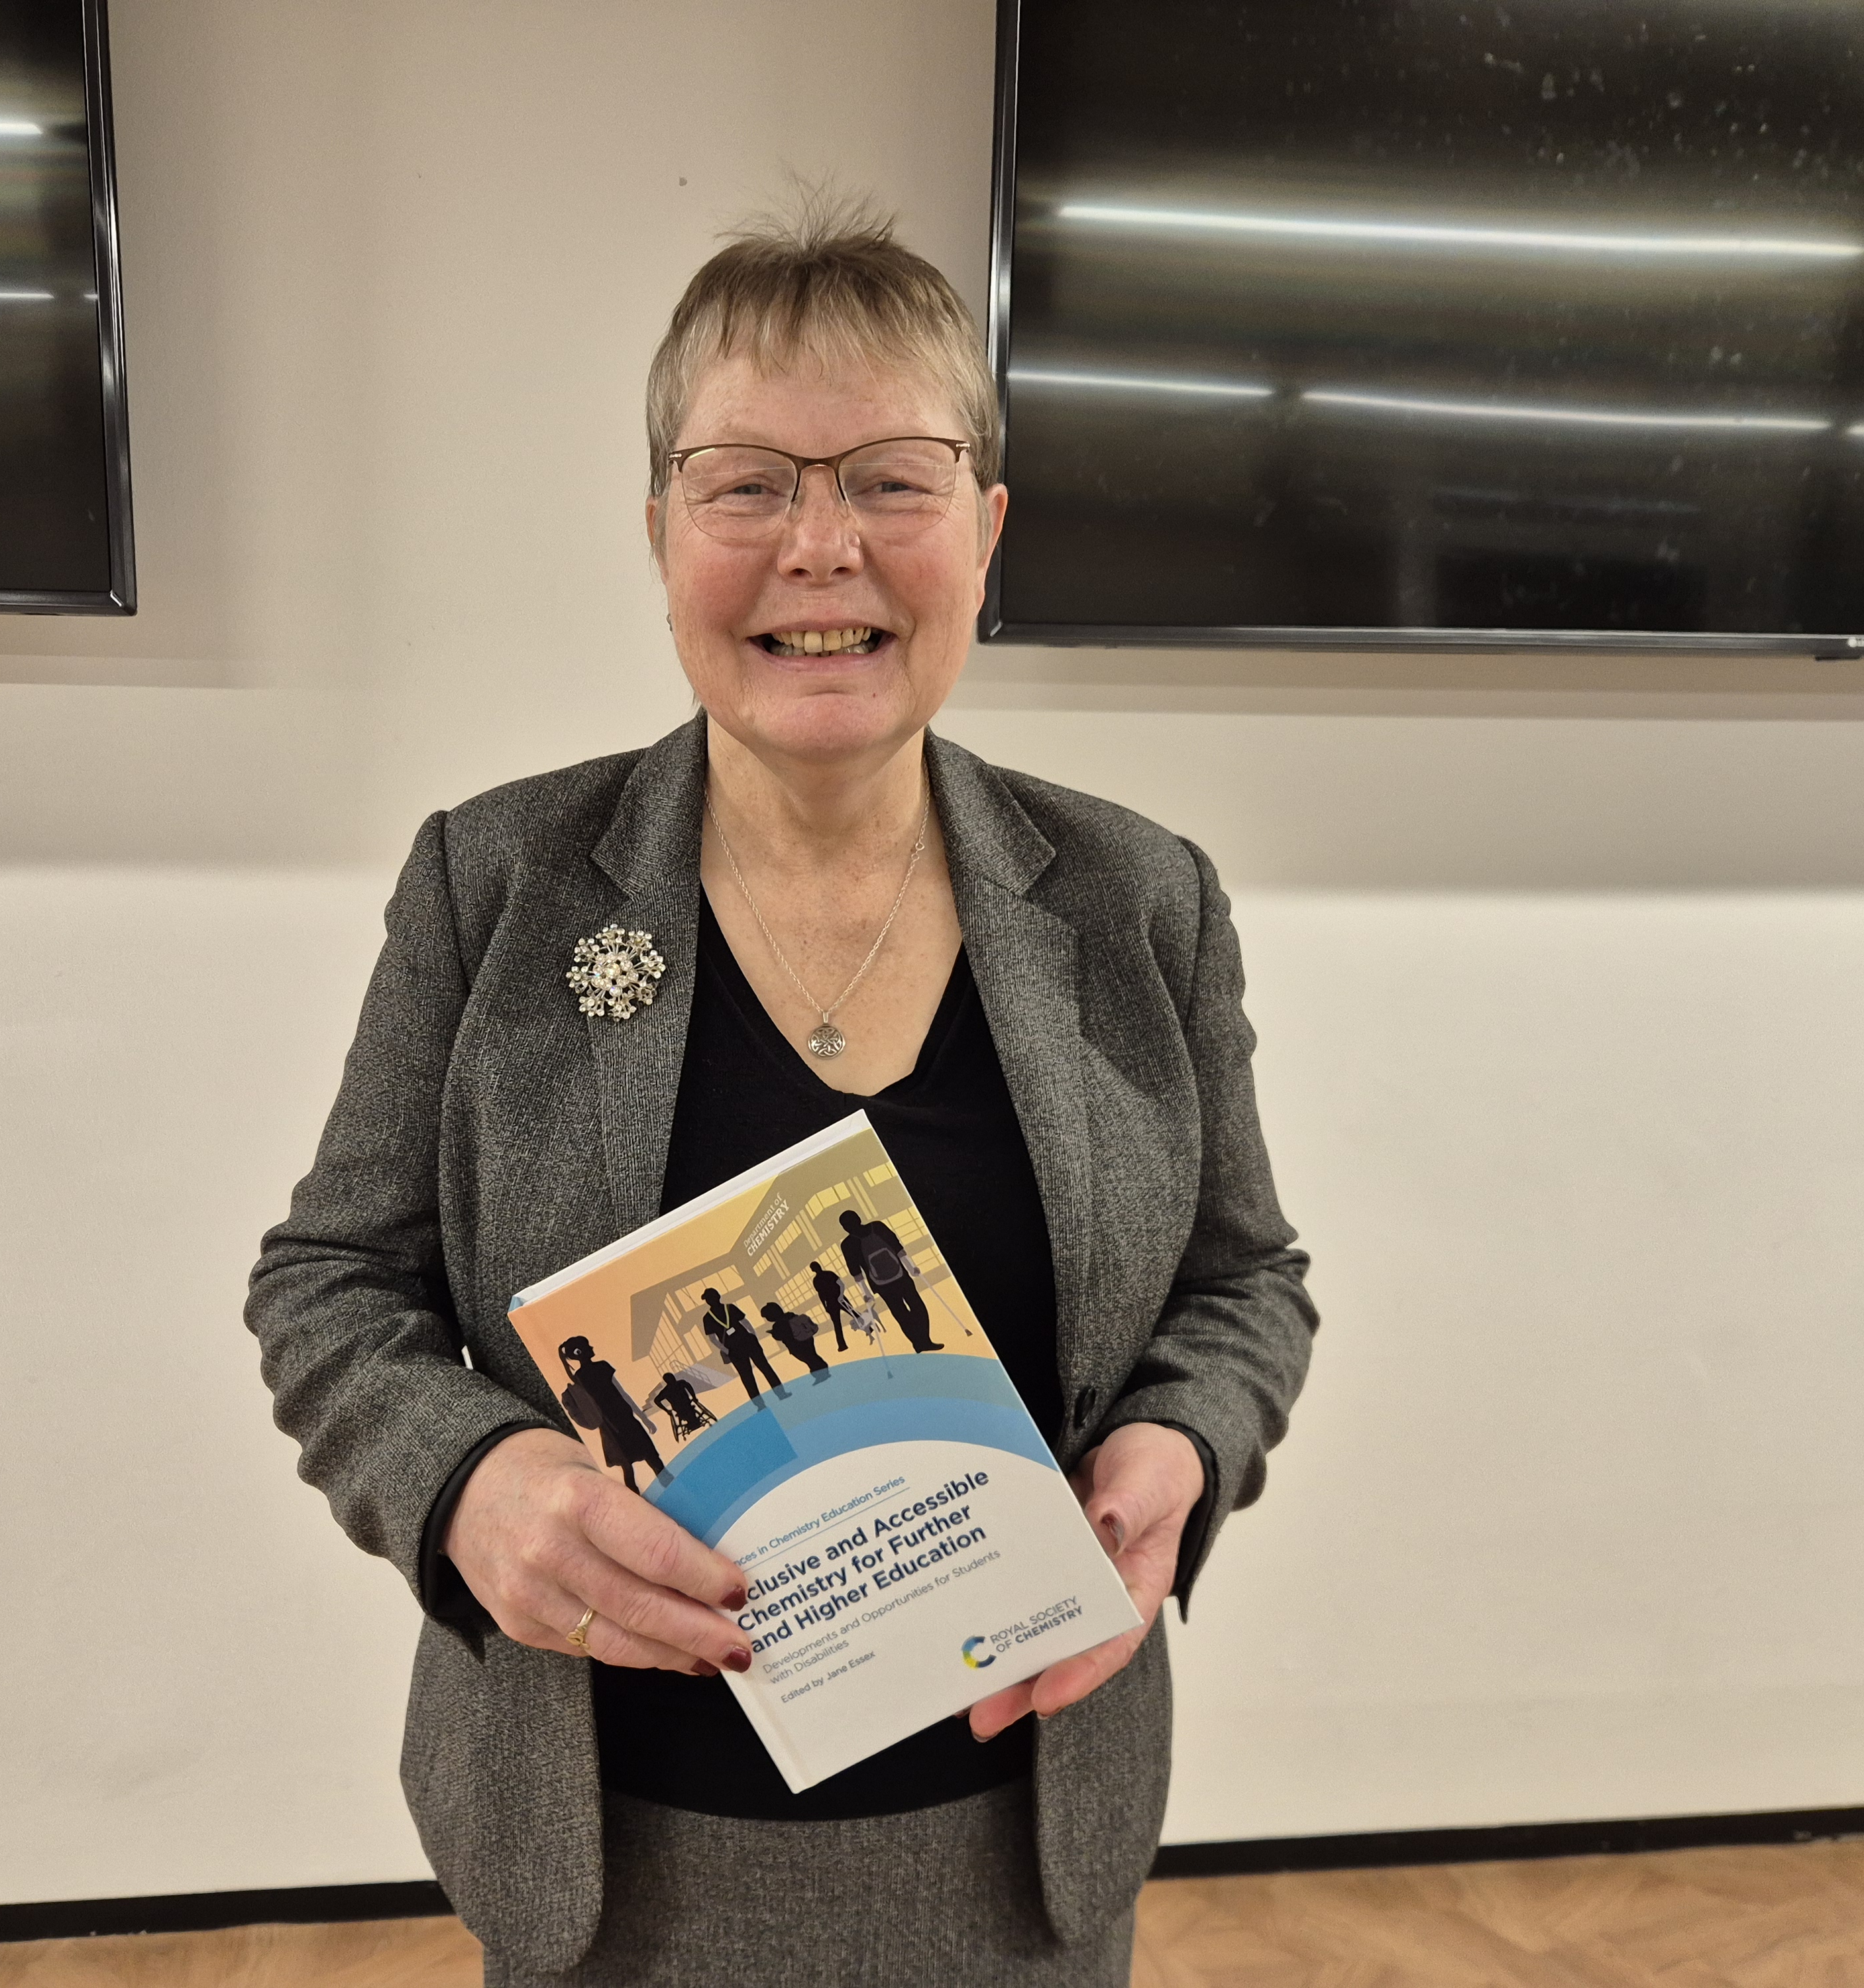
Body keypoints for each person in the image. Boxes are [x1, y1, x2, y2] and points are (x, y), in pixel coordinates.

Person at [246, 195, 1317, 1987]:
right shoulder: (496, 884)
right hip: (615, 1884)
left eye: (890, 480)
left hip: (1021, 1868)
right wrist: (466, 1482)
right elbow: (329, 1288)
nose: (821, 550)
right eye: (747, 483)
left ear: (983, 529)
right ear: (660, 533)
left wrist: (1183, 1449)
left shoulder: (1140, 902)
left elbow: (1243, 1285)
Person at [557, 1335, 665, 1492]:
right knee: (652, 1460)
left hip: (610, 1426)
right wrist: (643, 1418)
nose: (592, 1348)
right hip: (623, 1420)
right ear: (580, 1352)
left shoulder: (579, 1377)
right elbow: (623, 1394)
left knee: (628, 1469)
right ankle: (675, 1491)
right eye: (588, 1346)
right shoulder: (601, 1367)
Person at [840, 1205, 941, 1351]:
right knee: (917, 1305)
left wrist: (866, 1292)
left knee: (900, 1312)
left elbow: (856, 1272)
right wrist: (911, 1267)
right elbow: (897, 1247)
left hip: (880, 1284)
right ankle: (924, 1340)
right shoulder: (878, 1226)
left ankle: (918, 1342)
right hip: (900, 1275)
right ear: (859, 1219)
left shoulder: (848, 1244)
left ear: (845, 1228)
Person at [699, 1284, 785, 1402]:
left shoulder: (708, 1318)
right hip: (747, 1342)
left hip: (734, 1349)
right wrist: (754, 1337)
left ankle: (760, 1404)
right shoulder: (730, 1308)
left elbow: (713, 1339)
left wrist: (727, 1350)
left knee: (747, 1377)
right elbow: (746, 1323)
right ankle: (781, 1394)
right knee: (765, 1368)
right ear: (719, 1296)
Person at [759, 1300, 830, 1378]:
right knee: (813, 1356)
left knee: (809, 1359)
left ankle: (821, 1374)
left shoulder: (779, 1324)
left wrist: (773, 1333)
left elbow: (779, 1336)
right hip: (807, 1339)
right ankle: (822, 1373)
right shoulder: (791, 1315)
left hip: (796, 1345)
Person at [808, 1260, 853, 1351]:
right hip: (837, 1300)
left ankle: (842, 1345)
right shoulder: (828, 1274)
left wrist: (826, 1306)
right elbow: (840, 1285)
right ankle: (869, 1328)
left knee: (839, 1323)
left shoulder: (817, 1280)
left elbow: (839, 1285)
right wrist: (840, 1297)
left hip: (833, 1302)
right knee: (853, 1315)